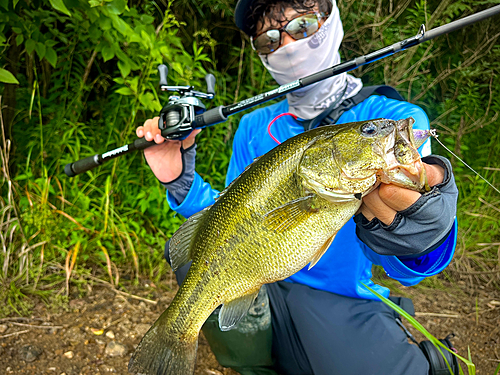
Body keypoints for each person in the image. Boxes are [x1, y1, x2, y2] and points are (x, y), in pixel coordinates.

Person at [136, 0, 459, 374]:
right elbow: (232, 220)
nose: (287, 44)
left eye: (302, 26)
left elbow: (405, 268)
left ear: (331, 22)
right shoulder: (253, 127)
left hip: (340, 299)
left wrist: (419, 237)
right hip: (263, 285)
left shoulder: (390, 120)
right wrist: (180, 180)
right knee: (193, 271)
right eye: (268, 38)